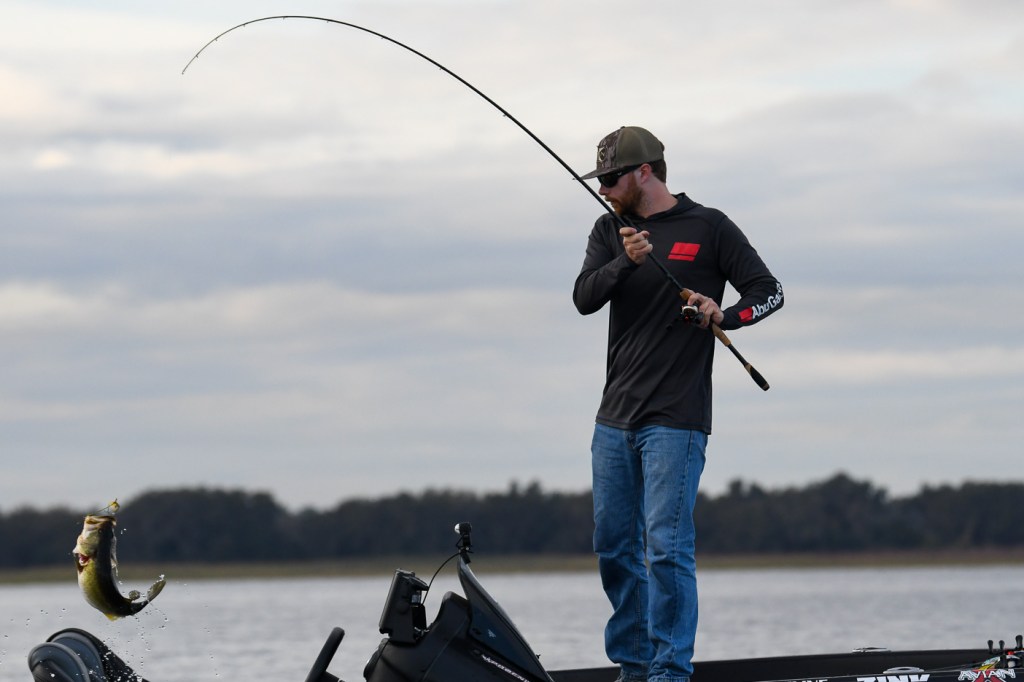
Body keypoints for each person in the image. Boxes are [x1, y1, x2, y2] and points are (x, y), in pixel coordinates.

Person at [573, 126, 783, 682]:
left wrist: (725, 314)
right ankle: (635, 667)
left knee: (666, 549)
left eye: (611, 178)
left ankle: (669, 673)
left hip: (677, 420)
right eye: (599, 180)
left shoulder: (709, 226)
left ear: (645, 172)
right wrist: (625, 262)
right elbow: (583, 298)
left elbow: (770, 291)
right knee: (614, 548)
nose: (603, 189)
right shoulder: (609, 229)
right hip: (613, 420)